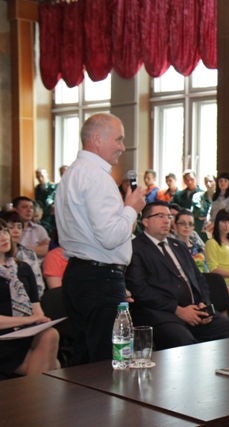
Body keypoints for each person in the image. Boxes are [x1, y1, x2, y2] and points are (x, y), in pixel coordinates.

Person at [55, 113, 146, 365]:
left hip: (79, 275)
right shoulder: (97, 177)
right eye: (118, 139)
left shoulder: (72, 173)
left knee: (85, 362)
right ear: (97, 139)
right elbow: (110, 237)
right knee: (107, 363)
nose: (122, 147)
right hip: (99, 278)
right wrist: (131, 208)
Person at [125, 202, 229, 350]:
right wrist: (178, 310)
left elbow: (199, 278)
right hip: (164, 314)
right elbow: (140, 290)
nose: (166, 221)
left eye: (169, 217)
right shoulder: (135, 248)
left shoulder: (179, 246)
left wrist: (204, 303)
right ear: (145, 221)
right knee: (186, 345)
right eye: (160, 216)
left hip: (196, 310)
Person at [0, 219, 60, 377]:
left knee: (50, 334)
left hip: (23, 333)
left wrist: (40, 318)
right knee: (54, 366)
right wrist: (27, 320)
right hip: (3, 337)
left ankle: (33, 391)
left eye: (4, 231)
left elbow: (36, 308)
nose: (4, 237)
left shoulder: (23, 268)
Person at [204, 209, 229, 318]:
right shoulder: (211, 243)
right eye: (223, 222)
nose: (227, 225)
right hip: (223, 282)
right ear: (217, 223)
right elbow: (213, 268)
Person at [0, 211, 45, 297]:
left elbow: (38, 285)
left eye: (19, 227)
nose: (16, 231)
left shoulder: (28, 255)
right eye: (11, 227)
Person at [174, 209, 207, 274]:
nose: (187, 226)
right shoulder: (169, 248)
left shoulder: (199, 250)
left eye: (190, 224)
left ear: (193, 228)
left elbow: (205, 271)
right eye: (182, 223)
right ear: (175, 226)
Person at [193, 175, 215, 242]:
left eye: (210, 181)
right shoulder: (198, 196)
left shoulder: (220, 198)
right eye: (206, 182)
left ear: (215, 182)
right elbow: (198, 213)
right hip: (200, 230)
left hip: (214, 230)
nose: (208, 184)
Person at [35, 168, 57, 234]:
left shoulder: (54, 187)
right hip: (41, 213)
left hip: (51, 214)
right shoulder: (37, 188)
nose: (40, 178)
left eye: (42, 176)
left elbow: (51, 199)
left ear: (46, 175)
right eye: (38, 177)